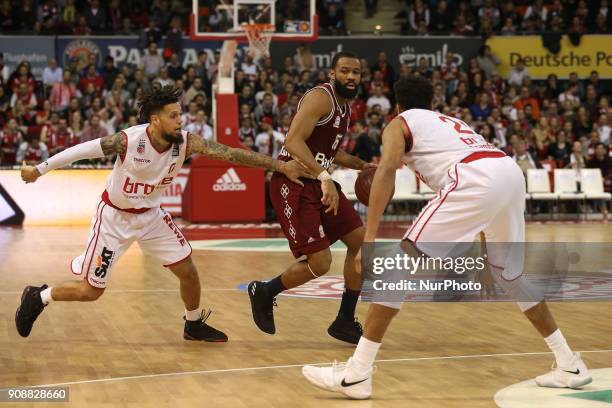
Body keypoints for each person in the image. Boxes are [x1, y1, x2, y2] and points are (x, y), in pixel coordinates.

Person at [301, 76, 592, 399]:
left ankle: (357, 374)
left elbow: (386, 171)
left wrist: (369, 238)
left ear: (397, 106)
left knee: (395, 266)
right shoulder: (450, 122)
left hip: (475, 178)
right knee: (511, 276)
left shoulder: (399, 123)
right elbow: (486, 184)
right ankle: (569, 364)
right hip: (508, 172)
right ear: (432, 104)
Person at [15, 85, 311, 342]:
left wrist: (281, 166)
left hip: (152, 217)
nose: (179, 120)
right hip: (114, 219)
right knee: (91, 292)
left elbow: (232, 154)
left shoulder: (187, 142)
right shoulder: (128, 141)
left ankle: (193, 324)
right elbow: (80, 151)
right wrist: (40, 170)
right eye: (173, 116)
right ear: (155, 120)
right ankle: (38, 297)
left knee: (189, 271)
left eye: (180, 115)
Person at [247, 52, 372, 345]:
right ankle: (265, 291)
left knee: (363, 244)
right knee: (320, 262)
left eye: (355, 72)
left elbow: (331, 152)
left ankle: (344, 320)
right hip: (294, 184)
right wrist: (325, 177)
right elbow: (292, 141)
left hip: (317, 182)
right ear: (332, 74)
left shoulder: (345, 109)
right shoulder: (321, 98)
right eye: (344, 71)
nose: (351, 77)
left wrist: (361, 165)